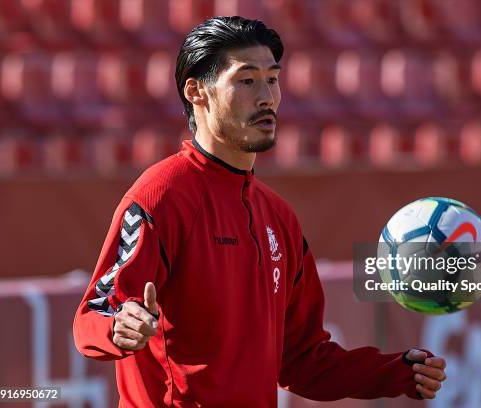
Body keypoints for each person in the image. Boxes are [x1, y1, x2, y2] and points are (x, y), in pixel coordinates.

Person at [73, 16, 446, 407]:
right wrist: (118, 327)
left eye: (272, 79)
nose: (267, 96)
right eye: (247, 80)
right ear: (197, 92)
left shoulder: (280, 217)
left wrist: (397, 372)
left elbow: (301, 360)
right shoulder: (160, 196)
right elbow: (90, 318)